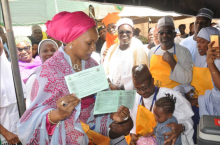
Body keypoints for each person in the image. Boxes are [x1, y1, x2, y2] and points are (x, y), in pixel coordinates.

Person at [17, 11, 130, 144]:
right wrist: (58, 114)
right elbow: (32, 118)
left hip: (96, 135)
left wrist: (113, 114)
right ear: (72, 40)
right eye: (89, 43)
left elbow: (102, 102)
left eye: (95, 42)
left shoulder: (92, 65)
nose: (93, 48)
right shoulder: (48, 71)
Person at [130, 64, 194, 145]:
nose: (142, 92)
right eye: (138, 89)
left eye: (145, 87)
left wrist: (181, 127)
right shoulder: (136, 98)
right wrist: (132, 135)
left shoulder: (171, 96)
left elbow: (188, 120)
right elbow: (133, 122)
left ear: (152, 81)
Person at [103, 18, 148, 91]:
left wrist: (124, 88)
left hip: (131, 94)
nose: (124, 34)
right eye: (121, 32)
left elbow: (143, 75)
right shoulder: (112, 49)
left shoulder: (139, 51)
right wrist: (110, 84)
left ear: (132, 32)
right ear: (118, 32)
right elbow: (105, 70)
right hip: (112, 92)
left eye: (128, 32)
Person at [148, 16, 193, 89]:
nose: (164, 35)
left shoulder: (183, 52)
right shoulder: (152, 52)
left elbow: (187, 80)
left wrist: (171, 61)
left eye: (168, 32)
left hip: (174, 96)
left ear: (175, 34)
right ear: (158, 35)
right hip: (155, 95)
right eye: (161, 32)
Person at [0, 36, 26, 145]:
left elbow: (23, 98)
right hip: (4, 136)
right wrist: (5, 133)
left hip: (19, 131)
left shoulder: (11, 68)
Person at [25, 39, 59, 109]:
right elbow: (29, 104)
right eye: (45, 51)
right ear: (39, 55)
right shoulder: (34, 78)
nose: (49, 53)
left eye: (53, 50)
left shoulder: (65, 73)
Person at [198, 28, 220, 117]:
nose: (198, 46)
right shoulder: (204, 59)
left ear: (213, 42)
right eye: (197, 42)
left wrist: (210, 64)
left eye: (202, 42)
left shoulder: (216, 62)